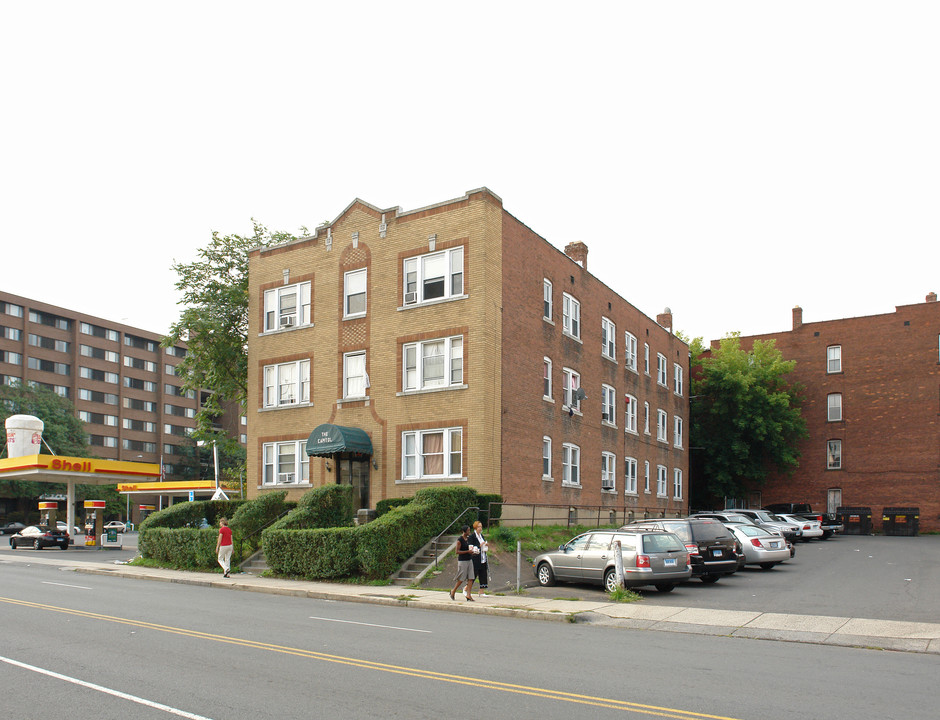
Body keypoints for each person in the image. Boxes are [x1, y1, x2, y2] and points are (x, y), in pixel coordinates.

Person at [450, 524, 475, 601]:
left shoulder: (468, 539)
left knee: (471, 578)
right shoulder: (459, 540)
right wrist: (467, 551)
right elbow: (457, 551)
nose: (469, 532)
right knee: (461, 578)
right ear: (464, 531)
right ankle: (453, 591)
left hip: (469, 559)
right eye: (468, 530)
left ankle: (468, 595)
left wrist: (473, 552)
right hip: (462, 561)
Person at [467, 520, 489, 597]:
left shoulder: (481, 536)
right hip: (475, 557)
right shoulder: (472, 536)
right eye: (479, 527)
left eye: (481, 527)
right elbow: (471, 546)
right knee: (474, 574)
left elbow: (483, 544)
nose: (480, 528)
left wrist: (485, 545)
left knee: (483, 573)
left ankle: (481, 591)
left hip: (482, 556)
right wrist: (479, 545)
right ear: (475, 527)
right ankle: (467, 588)